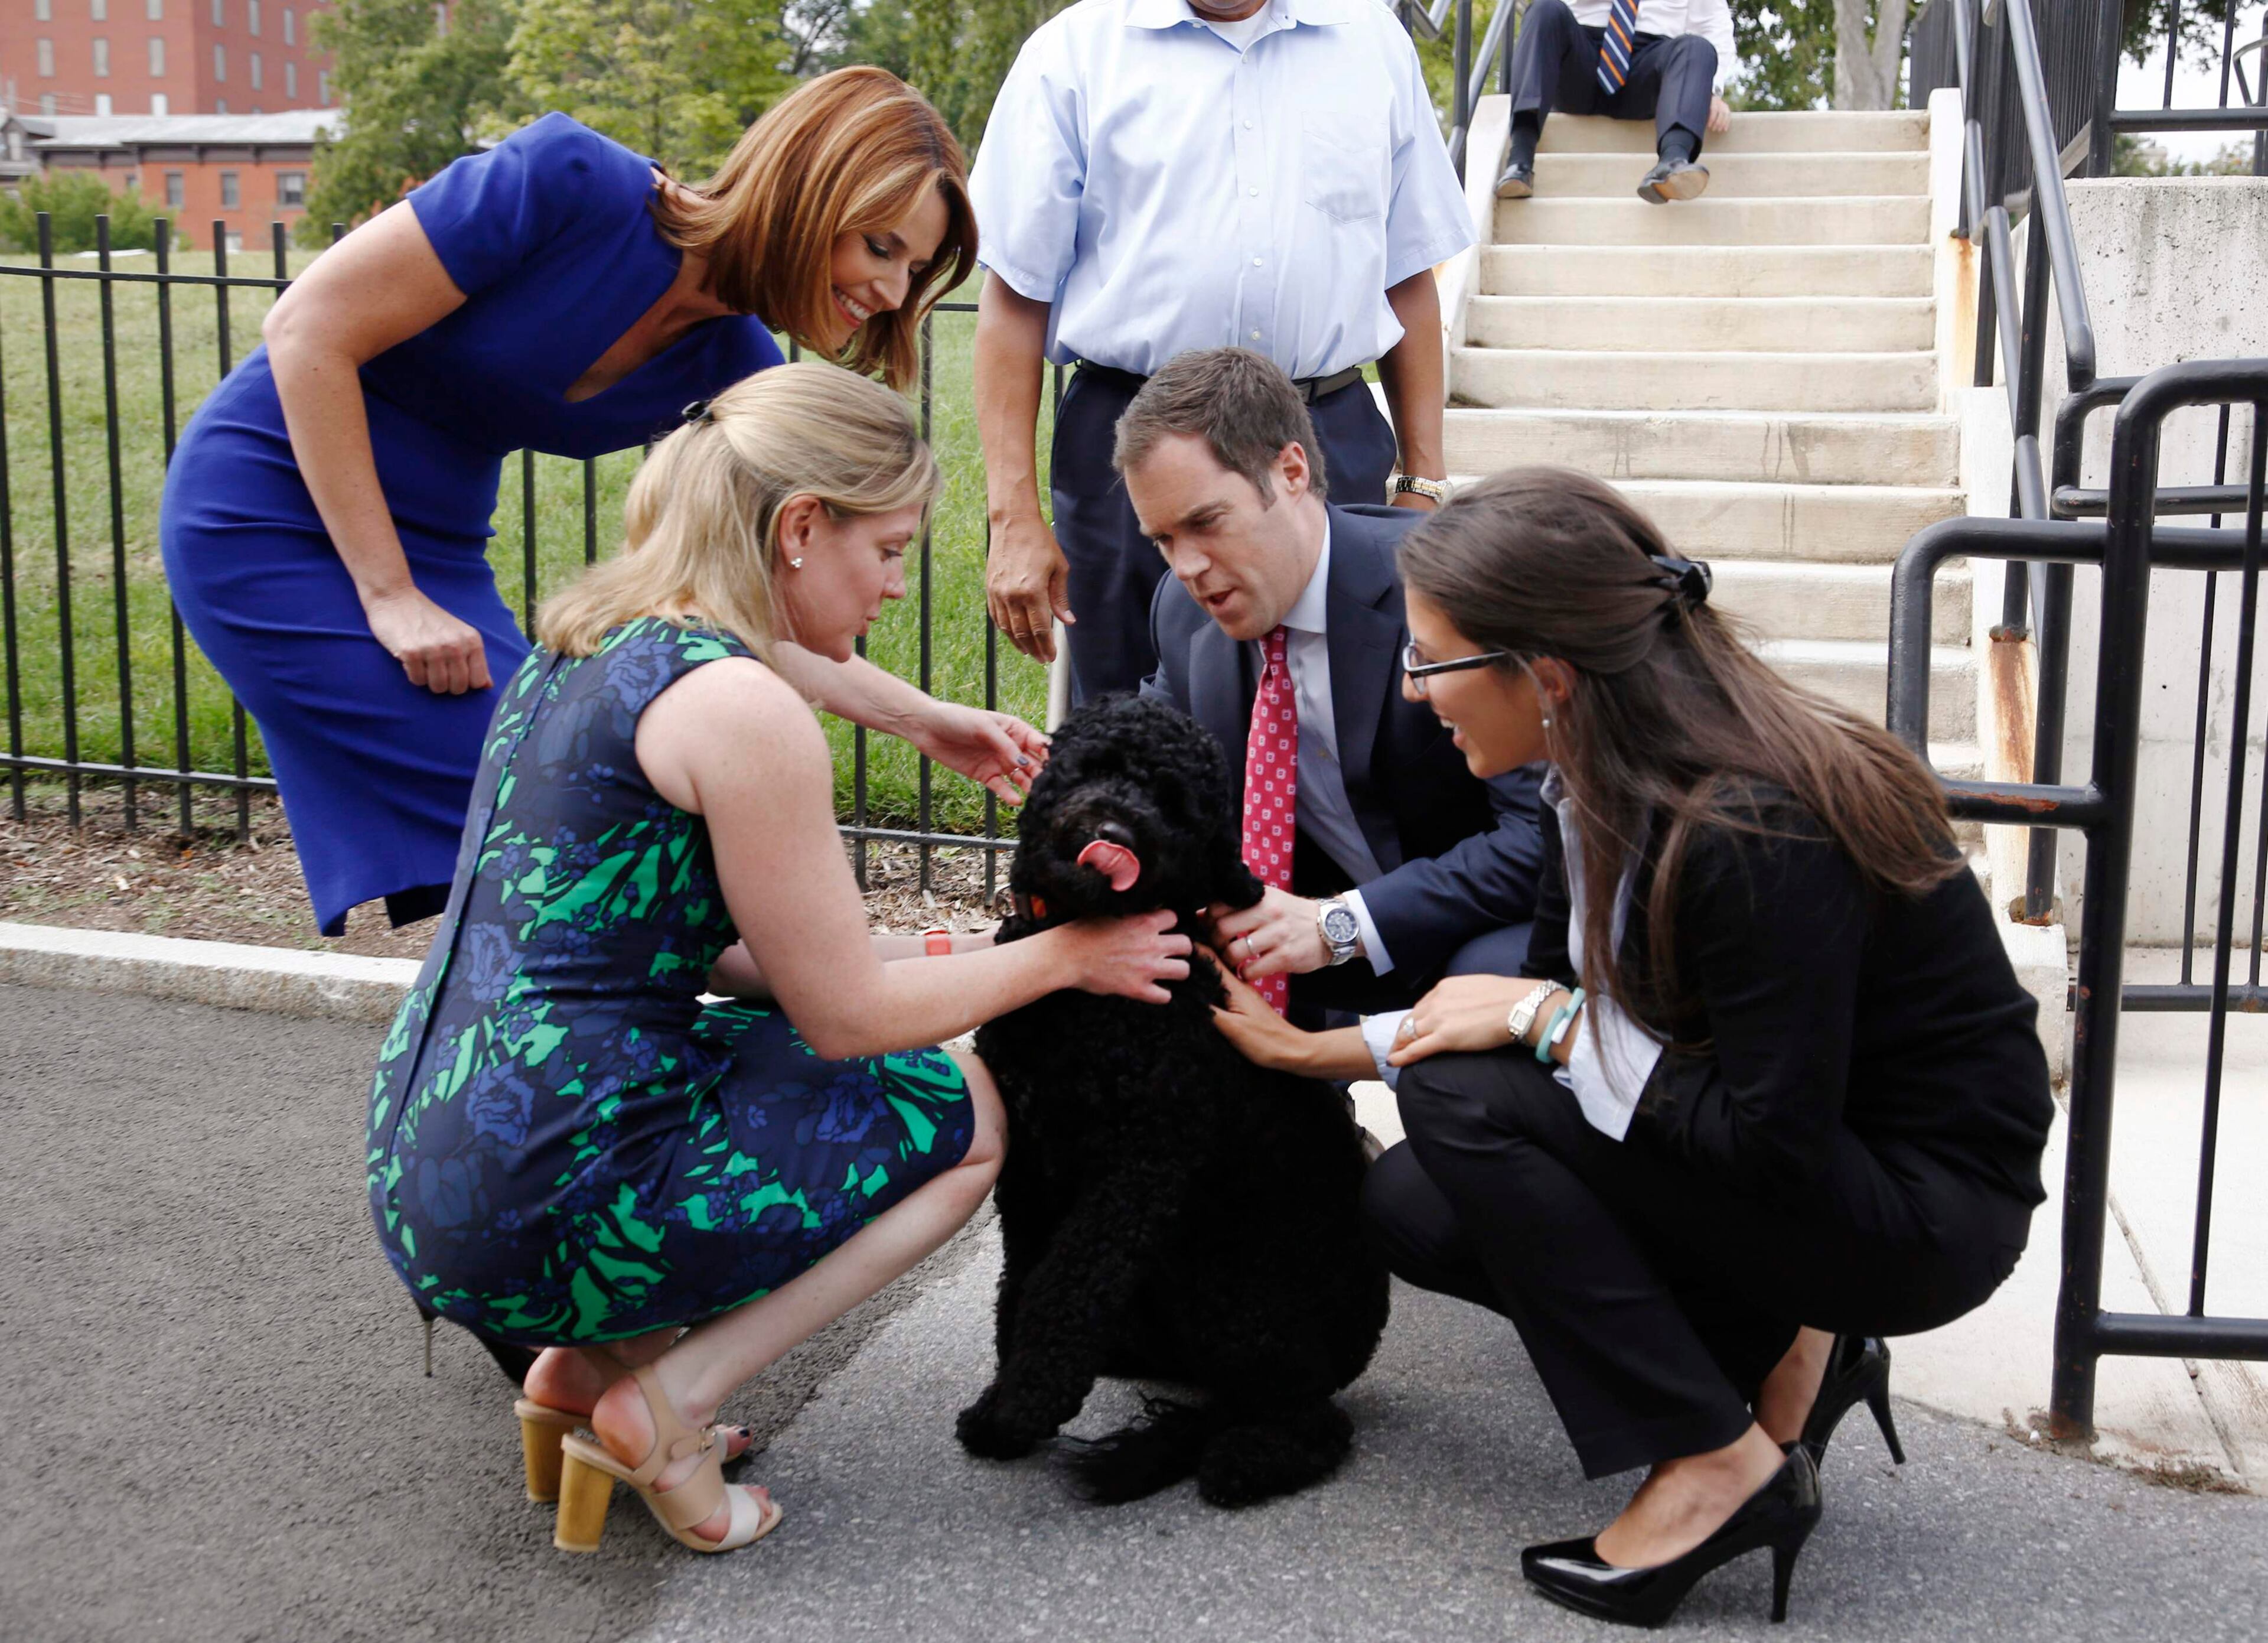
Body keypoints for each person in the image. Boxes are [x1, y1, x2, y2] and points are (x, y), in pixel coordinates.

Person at [367, 365, 1192, 1556]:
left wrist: (961, 927)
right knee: (963, 1110)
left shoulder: (589, 640)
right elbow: (849, 1013)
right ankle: (668, 1405)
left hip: (435, 1161)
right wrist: (1069, 955)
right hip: (548, 1195)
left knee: (747, 1054)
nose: (899, 583)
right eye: (893, 547)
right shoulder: (742, 712)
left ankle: (573, 1371)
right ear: (801, 527)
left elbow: (739, 957)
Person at [1211, 467, 2053, 1625]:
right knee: (1414, 1200)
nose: (1414, 693)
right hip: (1806, 1137)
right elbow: (1564, 1011)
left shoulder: (1752, 823)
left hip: (1921, 1206)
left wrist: (1539, 1019)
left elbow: (1742, 1129)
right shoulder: (1591, 779)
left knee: (1464, 1098)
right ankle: (1790, 1341)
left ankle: (1720, 1462)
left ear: (1545, 673)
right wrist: (1327, 1051)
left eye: (1432, 660)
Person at [160, 68, 1024, 939]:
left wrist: (928, 724)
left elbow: (744, 611)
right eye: (880, 247)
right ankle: (810, 988)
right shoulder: (569, 181)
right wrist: (389, 596)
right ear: (807, 191)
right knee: (565, 817)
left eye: (915, 269)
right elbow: (306, 328)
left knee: (578, 821)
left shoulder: (738, 366)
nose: (891, 292)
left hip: (440, 555)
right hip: (272, 505)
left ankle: (819, 984)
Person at [969, 0, 1475, 705]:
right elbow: (1015, 298)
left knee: (1343, 711)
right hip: (1130, 451)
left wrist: (1424, 482)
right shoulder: (1074, 53)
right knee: (1126, 729)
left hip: (1329, 437)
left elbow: (1409, 273)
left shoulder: (1372, 41)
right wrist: (1012, 518)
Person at [1123, 349, 1543, 1024]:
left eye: (1206, 522)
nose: (1189, 566)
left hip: (1483, 929)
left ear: (1290, 471)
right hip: (1310, 941)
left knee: (1483, 983)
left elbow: (1542, 835)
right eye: (1164, 539)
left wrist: (1341, 925)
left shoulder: (1442, 592)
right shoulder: (1180, 609)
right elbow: (1149, 771)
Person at [1495, 0, 1736, 203]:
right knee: (1544, 9)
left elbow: (1714, 25)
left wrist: (1711, 90)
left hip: (1652, 66)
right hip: (1581, 56)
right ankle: (1520, 162)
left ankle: (1673, 161)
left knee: (1696, 47)